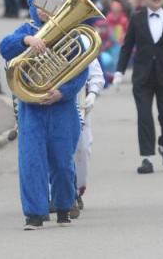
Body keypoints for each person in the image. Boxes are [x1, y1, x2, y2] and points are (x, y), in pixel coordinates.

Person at [0, 0, 88, 230]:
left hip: (61, 108)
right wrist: (27, 40)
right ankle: (34, 214)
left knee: (62, 162)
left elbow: (81, 71)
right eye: (40, 6)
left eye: (50, 6)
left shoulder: (71, 34)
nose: (43, 10)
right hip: (32, 109)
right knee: (31, 162)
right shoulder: (26, 29)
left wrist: (63, 92)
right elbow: (4, 47)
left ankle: (63, 207)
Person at [117, 0, 163, 174]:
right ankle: (146, 158)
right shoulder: (136, 19)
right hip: (142, 77)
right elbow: (127, 47)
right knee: (144, 116)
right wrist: (120, 71)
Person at [74, 53, 106, 215]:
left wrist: (93, 93)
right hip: (51, 103)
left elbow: (97, 75)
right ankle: (57, 194)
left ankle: (77, 190)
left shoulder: (82, 42)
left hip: (80, 106)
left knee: (83, 150)